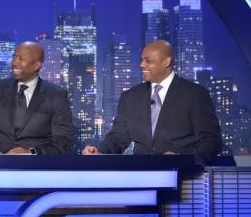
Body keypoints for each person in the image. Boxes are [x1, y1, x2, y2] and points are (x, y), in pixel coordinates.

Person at [82, 40, 221, 164]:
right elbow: (117, 138)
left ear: (166, 62)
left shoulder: (195, 94)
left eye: (148, 61)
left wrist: (183, 158)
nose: (142, 65)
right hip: (140, 177)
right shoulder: (130, 97)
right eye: (142, 60)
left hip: (182, 176)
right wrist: (99, 152)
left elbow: (211, 141)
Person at [0, 41, 73, 155]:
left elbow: (62, 142)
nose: (14, 63)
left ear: (36, 65)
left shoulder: (56, 95)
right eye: (14, 57)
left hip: (38, 168)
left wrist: (30, 152)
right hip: (1, 167)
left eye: (20, 59)